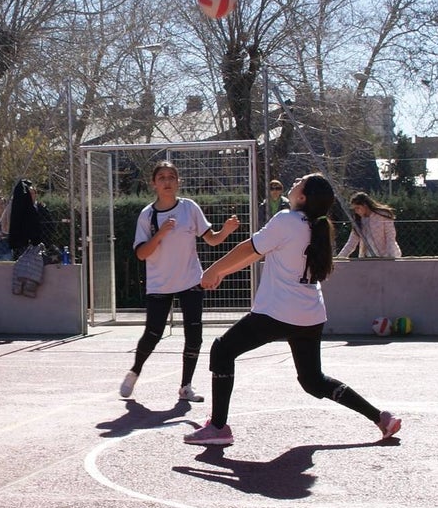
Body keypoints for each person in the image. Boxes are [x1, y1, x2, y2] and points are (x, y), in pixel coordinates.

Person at [185, 173, 402, 445]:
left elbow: (248, 248)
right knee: (313, 382)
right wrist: (220, 273)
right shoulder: (316, 225)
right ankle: (381, 418)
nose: (296, 180)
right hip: (310, 315)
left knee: (222, 349)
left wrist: (214, 269)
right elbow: (256, 253)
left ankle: (218, 428)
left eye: (301, 181)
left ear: (302, 197)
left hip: (277, 312)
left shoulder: (287, 219)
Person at [120, 160, 240, 403]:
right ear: (154, 183)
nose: (167, 181)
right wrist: (161, 233)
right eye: (162, 177)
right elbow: (142, 254)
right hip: (159, 284)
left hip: (190, 280)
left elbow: (212, 240)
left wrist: (227, 230)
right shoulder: (148, 215)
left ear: (178, 182)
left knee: (194, 335)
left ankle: (186, 386)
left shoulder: (189, 208)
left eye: (171, 177)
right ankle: (135, 371)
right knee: (153, 333)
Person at [337, 191, 401, 259]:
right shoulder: (358, 220)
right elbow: (352, 242)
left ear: (365, 205)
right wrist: (340, 257)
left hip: (385, 256)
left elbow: (390, 237)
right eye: (354, 209)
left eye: (357, 208)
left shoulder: (383, 215)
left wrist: (391, 256)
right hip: (367, 257)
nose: (356, 211)